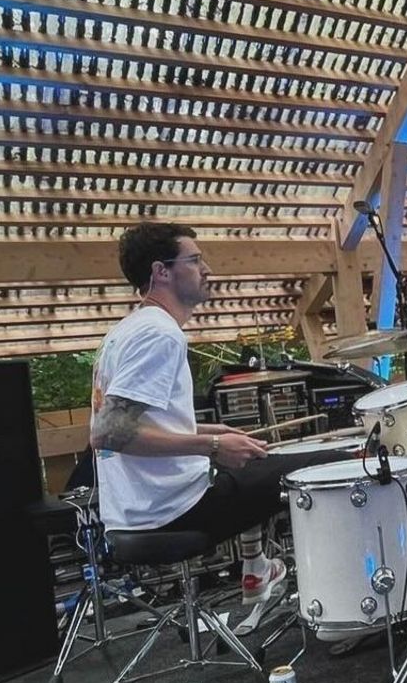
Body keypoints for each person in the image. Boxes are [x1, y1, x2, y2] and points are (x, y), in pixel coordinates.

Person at [89, 223, 351, 606]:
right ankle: (345, 600)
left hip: (135, 511)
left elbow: (137, 424)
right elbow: (108, 432)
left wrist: (214, 430)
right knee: (328, 468)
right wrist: (211, 445)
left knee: (256, 459)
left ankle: (256, 569)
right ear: (161, 271)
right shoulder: (159, 334)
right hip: (173, 510)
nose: (206, 269)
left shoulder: (124, 333)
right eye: (195, 260)